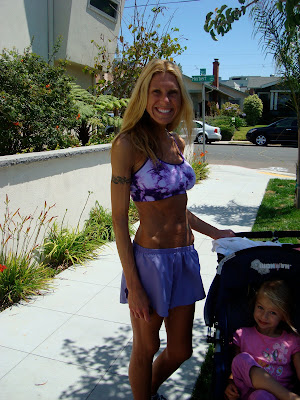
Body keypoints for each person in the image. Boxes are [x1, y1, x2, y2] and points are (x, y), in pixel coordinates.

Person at [110, 59, 235, 400]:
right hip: (149, 262)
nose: (164, 100)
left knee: (181, 351)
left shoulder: (177, 144)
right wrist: (133, 284)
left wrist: (216, 233)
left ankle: (146, 392)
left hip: (184, 259)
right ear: (143, 96)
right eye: (156, 92)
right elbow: (120, 218)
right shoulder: (127, 144)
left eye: (172, 93)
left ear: (181, 100)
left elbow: (179, 209)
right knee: (146, 346)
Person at [225, 280, 300, 400]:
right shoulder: (243, 334)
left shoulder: (291, 341)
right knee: (241, 359)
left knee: (260, 395)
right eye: (260, 307)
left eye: (273, 313)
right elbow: (235, 371)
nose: (264, 316)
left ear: (283, 316)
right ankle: (289, 397)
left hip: (275, 397)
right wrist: (230, 383)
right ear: (254, 304)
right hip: (247, 393)